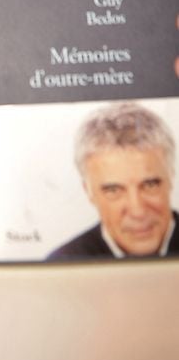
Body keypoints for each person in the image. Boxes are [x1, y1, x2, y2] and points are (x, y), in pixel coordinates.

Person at [48, 102, 179, 261]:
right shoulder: (62, 264)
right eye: (114, 190)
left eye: (150, 185)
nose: (138, 212)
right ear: (88, 192)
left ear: (171, 178)